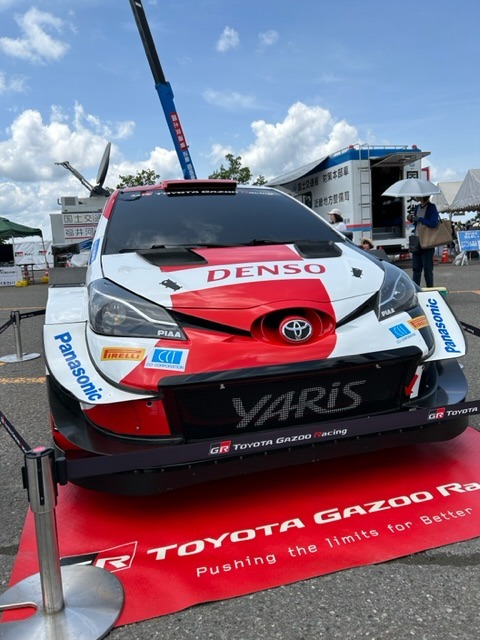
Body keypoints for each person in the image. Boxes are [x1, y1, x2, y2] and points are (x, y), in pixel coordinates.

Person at [408, 196, 439, 288]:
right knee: (416, 269)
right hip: (417, 240)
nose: (416, 196)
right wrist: (412, 219)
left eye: (417, 195)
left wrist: (420, 219)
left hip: (427, 241)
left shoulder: (431, 207)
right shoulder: (417, 207)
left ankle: (430, 290)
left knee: (427, 269)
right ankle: (416, 290)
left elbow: (434, 223)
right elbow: (417, 224)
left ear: (423, 196)